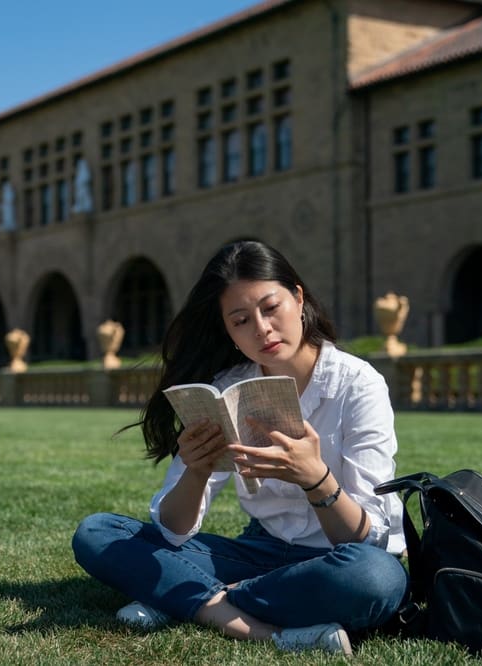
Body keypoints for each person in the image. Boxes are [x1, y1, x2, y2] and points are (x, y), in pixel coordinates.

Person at [72, 240, 409, 656]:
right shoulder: (227, 388)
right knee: (98, 533)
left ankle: (189, 598)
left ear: (298, 298)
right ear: (228, 332)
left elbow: (368, 539)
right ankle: (266, 630)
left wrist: (317, 480)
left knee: (377, 580)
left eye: (271, 308)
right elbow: (173, 530)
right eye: (241, 320)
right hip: (261, 550)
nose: (262, 329)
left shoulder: (358, 385)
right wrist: (196, 473)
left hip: (339, 558)